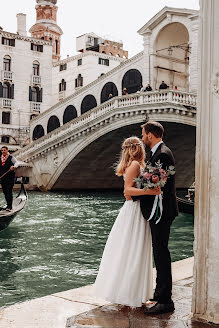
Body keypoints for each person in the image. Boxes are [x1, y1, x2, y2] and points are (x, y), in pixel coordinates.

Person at [93, 137, 161, 307]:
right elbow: (128, 190)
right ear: (135, 148)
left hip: (136, 211)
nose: (142, 147)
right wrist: (150, 192)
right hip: (134, 212)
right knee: (133, 249)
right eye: (139, 145)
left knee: (133, 249)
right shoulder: (135, 165)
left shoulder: (138, 164)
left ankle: (134, 292)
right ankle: (130, 294)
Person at [124, 121, 178, 314]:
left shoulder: (162, 153)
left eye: (144, 134)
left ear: (151, 135)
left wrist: (138, 190)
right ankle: (160, 292)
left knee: (161, 253)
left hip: (161, 211)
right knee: (159, 252)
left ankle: (165, 301)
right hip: (160, 211)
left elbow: (156, 186)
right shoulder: (159, 152)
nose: (143, 137)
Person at [0, 146, 18, 211]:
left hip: (10, 178)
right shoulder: (0, 158)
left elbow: (17, 163)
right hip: (3, 178)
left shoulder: (11, 157)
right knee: (4, 192)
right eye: (2, 150)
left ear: (7, 150)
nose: (3, 152)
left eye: (4, 150)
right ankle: (8, 205)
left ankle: (10, 207)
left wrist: (13, 166)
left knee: (9, 191)